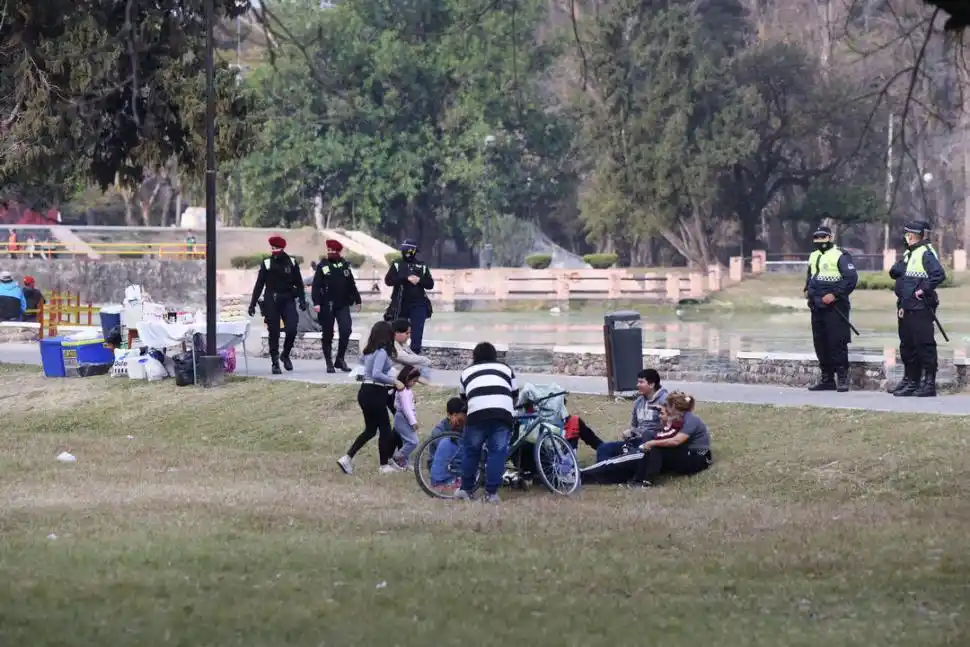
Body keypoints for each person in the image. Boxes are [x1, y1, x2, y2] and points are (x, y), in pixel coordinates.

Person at [337, 321, 404, 475]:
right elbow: (377, 373)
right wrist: (395, 381)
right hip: (375, 391)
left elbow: (363, 371)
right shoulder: (381, 352)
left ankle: (347, 458)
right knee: (385, 429)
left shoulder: (368, 352)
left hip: (365, 392)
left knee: (371, 430)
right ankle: (383, 465)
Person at [455, 342, 518, 504]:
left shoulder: (466, 372)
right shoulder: (506, 369)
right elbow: (514, 394)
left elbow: (464, 398)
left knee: (471, 451)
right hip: (502, 414)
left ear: (474, 356)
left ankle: (466, 489)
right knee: (497, 452)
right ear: (494, 355)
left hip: (477, 415)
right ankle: (491, 494)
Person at [890, 220, 946, 397]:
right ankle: (911, 380)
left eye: (907, 234)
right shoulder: (910, 253)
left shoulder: (926, 253)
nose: (905, 237)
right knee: (907, 346)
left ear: (913, 235)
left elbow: (938, 275)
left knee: (924, 345)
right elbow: (894, 272)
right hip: (906, 306)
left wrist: (923, 291)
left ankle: (928, 384)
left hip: (921, 307)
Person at [804, 224, 859, 392]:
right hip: (817, 307)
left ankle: (842, 378)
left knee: (837, 343)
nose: (820, 241)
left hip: (836, 307)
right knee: (820, 343)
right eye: (817, 238)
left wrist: (835, 294)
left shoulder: (841, 255)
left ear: (830, 237)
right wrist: (807, 290)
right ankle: (827, 379)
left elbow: (851, 279)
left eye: (823, 237)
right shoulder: (813, 256)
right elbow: (811, 275)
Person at [627, 392, 713, 488]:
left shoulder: (691, 420)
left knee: (656, 449)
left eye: (667, 406)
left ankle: (646, 482)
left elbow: (676, 441)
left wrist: (652, 443)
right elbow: (665, 434)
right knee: (651, 438)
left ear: (674, 407)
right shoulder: (679, 418)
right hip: (686, 451)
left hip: (700, 457)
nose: (666, 408)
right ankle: (637, 476)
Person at [248, 235, 306, 374]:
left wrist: (302, 299)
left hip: (288, 299)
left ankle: (285, 355)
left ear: (283, 248)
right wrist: (252, 303)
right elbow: (259, 284)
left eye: (277, 248)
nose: (274, 251)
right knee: (273, 332)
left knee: (292, 329)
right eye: (272, 248)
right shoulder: (267, 263)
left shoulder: (291, 262)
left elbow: (299, 283)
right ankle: (275, 362)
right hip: (271, 300)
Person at [594, 369, 668, 462]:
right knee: (603, 448)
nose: (637, 385)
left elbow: (671, 428)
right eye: (638, 382)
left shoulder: (665, 400)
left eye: (641, 382)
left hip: (652, 444)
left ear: (652, 384)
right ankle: (608, 469)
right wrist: (630, 432)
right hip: (637, 441)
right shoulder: (638, 402)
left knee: (627, 459)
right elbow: (634, 426)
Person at [312, 239, 362, 373]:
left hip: (343, 303)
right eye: (329, 250)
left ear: (339, 252)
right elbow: (316, 286)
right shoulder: (322, 266)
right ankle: (329, 362)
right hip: (326, 304)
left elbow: (351, 284)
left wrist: (358, 300)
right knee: (327, 333)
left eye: (333, 251)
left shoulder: (344, 265)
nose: (331, 253)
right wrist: (316, 303)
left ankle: (340, 359)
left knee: (346, 330)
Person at [384, 240, 434, 353]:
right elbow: (388, 281)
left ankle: (414, 358)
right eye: (404, 250)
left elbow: (430, 284)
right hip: (400, 304)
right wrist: (405, 279)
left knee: (417, 332)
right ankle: (396, 355)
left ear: (414, 251)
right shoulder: (397, 264)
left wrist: (420, 280)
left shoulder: (422, 265)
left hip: (419, 304)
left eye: (409, 250)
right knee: (397, 331)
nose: (406, 252)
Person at [429, 397, 468, 493]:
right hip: (442, 464)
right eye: (461, 416)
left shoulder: (462, 426)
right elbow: (446, 454)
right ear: (451, 415)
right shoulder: (439, 431)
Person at [391, 366, 422, 470]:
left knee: (406, 441)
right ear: (407, 378)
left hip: (404, 418)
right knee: (413, 441)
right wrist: (413, 422)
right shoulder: (403, 391)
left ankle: (403, 463)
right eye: (413, 381)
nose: (414, 383)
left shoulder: (406, 391)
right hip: (402, 418)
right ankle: (397, 457)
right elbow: (406, 409)